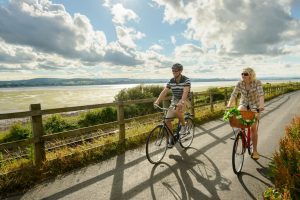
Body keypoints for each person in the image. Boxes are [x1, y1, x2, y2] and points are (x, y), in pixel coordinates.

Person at [226, 67, 265, 160]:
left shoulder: (257, 83)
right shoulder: (240, 83)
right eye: (242, 74)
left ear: (250, 75)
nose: (243, 76)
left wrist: (261, 106)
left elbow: (261, 95)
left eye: (245, 74)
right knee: (238, 115)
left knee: (253, 128)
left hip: (254, 105)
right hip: (243, 103)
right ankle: (241, 134)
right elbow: (234, 95)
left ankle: (255, 151)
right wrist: (228, 106)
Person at [154, 63, 191, 147]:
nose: (173, 72)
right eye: (172, 70)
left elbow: (185, 92)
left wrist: (181, 102)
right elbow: (164, 91)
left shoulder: (186, 80)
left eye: (175, 71)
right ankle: (172, 138)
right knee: (167, 120)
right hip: (175, 100)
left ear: (180, 71)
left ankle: (184, 126)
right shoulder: (171, 81)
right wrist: (157, 101)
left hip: (185, 100)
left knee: (177, 110)